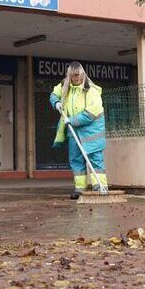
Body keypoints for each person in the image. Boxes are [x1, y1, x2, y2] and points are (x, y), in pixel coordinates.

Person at [49, 62, 108, 200]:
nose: (76, 78)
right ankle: (80, 189)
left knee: (95, 159)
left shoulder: (91, 90)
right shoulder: (65, 85)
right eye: (73, 76)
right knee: (76, 159)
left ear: (82, 74)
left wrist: (73, 120)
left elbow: (91, 113)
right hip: (73, 130)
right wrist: (56, 102)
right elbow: (53, 94)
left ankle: (100, 187)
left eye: (78, 75)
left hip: (91, 131)